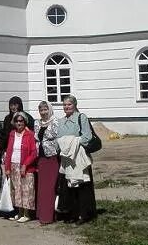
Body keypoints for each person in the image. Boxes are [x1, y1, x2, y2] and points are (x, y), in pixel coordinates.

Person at [55, 95, 97, 224]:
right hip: (67, 158)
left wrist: (71, 141)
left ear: (75, 105)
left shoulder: (81, 117)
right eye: (65, 105)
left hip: (79, 156)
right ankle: (72, 213)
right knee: (69, 186)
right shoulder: (61, 121)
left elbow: (87, 137)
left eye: (69, 104)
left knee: (82, 186)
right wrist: (64, 145)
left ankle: (84, 214)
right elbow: (58, 139)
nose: (67, 107)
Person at [3, 112, 37, 223]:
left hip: (25, 167)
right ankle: (19, 212)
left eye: (21, 121)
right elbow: (8, 151)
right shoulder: (12, 134)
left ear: (25, 122)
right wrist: (7, 167)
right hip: (13, 165)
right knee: (16, 190)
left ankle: (27, 214)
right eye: (17, 121)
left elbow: (33, 153)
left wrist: (25, 165)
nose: (19, 123)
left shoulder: (30, 134)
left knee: (26, 190)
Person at [35, 101, 60, 225]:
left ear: (49, 110)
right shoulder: (37, 122)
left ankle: (49, 216)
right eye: (41, 110)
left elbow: (53, 135)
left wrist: (43, 134)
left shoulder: (55, 121)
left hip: (52, 157)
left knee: (50, 187)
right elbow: (36, 137)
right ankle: (42, 214)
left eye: (45, 110)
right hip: (41, 158)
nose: (43, 112)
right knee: (42, 188)